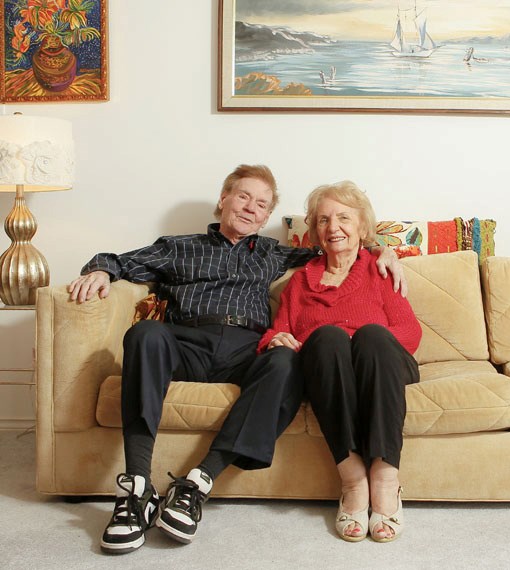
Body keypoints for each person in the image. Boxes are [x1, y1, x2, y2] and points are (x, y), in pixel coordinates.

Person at [68, 165, 406, 555]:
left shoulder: (273, 253)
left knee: (285, 361)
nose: (250, 208)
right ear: (223, 199)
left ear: (266, 218)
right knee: (144, 333)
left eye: (261, 204)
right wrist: (99, 270)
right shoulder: (178, 247)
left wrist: (386, 250)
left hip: (247, 348)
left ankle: (197, 482)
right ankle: (136, 489)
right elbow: (119, 260)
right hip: (187, 341)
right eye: (243, 196)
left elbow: (341, 245)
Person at [257, 180, 421, 543]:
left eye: (344, 218)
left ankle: (384, 479)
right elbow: (277, 332)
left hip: (383, 366)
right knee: (327, 337)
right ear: (314, 231)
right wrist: (276, 340)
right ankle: (352, 480)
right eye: (323, 220)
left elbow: (409, 333)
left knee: (371, 335)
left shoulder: (379, 269)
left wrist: (357, 341)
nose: (333, 228)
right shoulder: (300, 283)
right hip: (329, 371)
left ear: (362, 227)